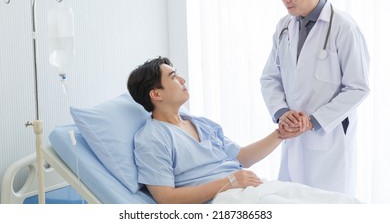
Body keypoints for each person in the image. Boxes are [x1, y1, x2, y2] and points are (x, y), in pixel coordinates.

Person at [127, 56, 361, 204]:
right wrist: (229, 182)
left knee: (342, 204)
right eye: (173, 77)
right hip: (224, 201)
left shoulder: (201, 124)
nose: (182, 80)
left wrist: (280, 134)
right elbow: (166, 199)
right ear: (156, 94)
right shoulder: (151, 138)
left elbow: (242, 158)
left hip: (253, 188)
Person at [260, 0, 370, 196]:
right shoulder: (284, 26)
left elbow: (358, 87)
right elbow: (270, 77)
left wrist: (313, 121)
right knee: (291, 204)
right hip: (292, 138)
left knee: (328, 209)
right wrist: (282, 113)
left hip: (328, 142)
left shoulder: (344, 28)